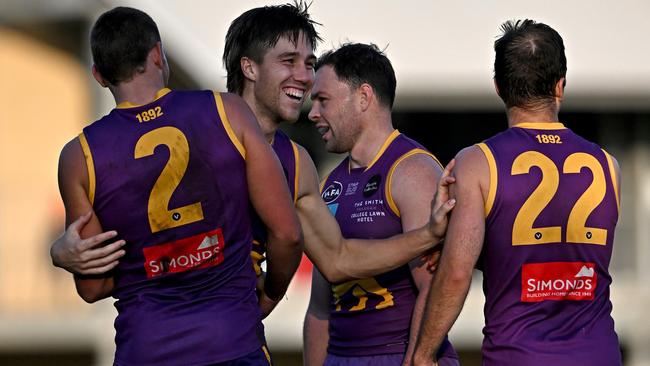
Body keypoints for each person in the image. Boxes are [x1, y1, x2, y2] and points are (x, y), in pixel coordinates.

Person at [52, 2, 456, 287]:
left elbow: (337, 261)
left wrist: (426, 235)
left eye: (310, 64)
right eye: (289, 61)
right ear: (248, 67)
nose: (305, 77)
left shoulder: (296, 161)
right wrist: (66, 254)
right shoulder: (194, 128)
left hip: (229, 340)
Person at [57, 6, 302, 365]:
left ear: (98, 75)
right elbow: (288, 234)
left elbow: (92, 287)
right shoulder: (227, 111)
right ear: (158, 54)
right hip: (232, 340)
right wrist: (271, 294)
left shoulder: (79, 157)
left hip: (146, 349)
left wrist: (65, 256)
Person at [412, 20, 622, 366]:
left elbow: (457, 273)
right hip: (598, 354)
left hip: (519, 355)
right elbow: (571, 257)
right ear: (560, 86)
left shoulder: (477, 162)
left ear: (498, 88)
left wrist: (423, 355)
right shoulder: (607, 165)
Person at [303, 43, 459, 366]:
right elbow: (319, 308)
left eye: (323, 100)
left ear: (363, 97)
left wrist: (416, 360)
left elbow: (435, 288)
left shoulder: (413, 171)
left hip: (397, 354)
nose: (312, 113)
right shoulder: (331, 185)